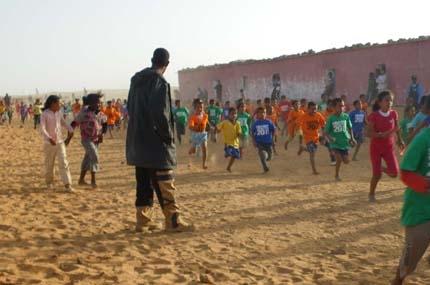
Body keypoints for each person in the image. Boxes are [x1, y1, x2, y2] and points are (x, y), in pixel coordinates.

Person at [126, 48, 193, 232]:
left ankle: (143, 221)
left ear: (152, 60)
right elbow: (160, 113)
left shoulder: (136, 80)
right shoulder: (160, 82)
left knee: (144, 181)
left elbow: (130, 107)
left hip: (137, 140)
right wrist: (167, 137)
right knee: (165, 181)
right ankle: (173, 221)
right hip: (155, 143)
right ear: (167, 64)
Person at [391, 127, 430, 285]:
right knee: (408, 264)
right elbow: (406, 172)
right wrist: (426, 184)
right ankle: (398, 280)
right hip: (421, 211)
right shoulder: (423, 140)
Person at [367, 91, 405, 202]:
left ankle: (381, 168)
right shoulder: (374, 116)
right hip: (376, 148)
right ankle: (371, 194)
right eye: (387, 100)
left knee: (394, 173)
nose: (389, 102)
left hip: (389, 147)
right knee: (377, 175)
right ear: (379, 103)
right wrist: (379, 135)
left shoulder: (394, 114)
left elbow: (397, 127)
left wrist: (400, 139)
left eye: (391, 100)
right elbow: (367, 133)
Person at [40, 95, 74, 192]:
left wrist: (70, 130)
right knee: (49, 164)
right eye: (59, 103)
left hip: (59, 142)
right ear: (53, 103)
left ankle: (68, 185)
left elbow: (64, 123)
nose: (60, 105)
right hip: (49, 144)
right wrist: (49, 138)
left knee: (64, 162)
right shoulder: (45, 114)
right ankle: (49, 183)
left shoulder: (59, 113)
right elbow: (42, 128)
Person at [72, 94, 103, 189]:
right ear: (91, 103)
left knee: (87, 159)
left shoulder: (97, 113)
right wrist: (69, 136)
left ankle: (81, 180)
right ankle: (93, 181)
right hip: (86, 139)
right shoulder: (83, 112)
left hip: (95, 140)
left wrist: (101, 135)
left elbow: (100, 125)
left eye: (99, 102)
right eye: (97, 102)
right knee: (94, 156)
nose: (99, 104)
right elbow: (74, 123)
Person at [324, 98, 356, 181]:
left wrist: (352, 138)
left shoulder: (346, 116)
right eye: (340, 106)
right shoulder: (331, 118)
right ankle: (336, 175)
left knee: (346, 161)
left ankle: (346, 153)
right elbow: (326, 132)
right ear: (334, 107)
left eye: (343, 106)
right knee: (339, 159)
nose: (342, 107)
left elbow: (350, 128)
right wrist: (330, 138)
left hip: (345, 142)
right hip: (335, 143)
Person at [297, 102, 326, 175]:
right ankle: (314, 170)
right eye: (312, 109)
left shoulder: (318, 115)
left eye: (315, 109)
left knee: (312, 150)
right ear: (308, 109)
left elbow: (323, 126)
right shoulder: (303, 116)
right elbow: (299, 127)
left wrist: (323, 137)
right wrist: (300, 137)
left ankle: (303, 148)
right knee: (312, 153)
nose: (314, 110)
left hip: (316, 137)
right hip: (307, 138)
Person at [251, 107, 276, 173]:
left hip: (268, 142)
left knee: (269, 155)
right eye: (260, 113)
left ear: (266, 114)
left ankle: (267, 158)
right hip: (259, 142)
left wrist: (273, 139)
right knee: (262, 154)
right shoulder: (255, 123)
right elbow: (252, 132)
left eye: (264, 112)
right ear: (257, 114)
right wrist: (253, 141)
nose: (262, 114)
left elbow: (273, 130)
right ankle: (265, 167)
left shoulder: (269, 122)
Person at [217, 107, 242, 172]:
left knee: (235, 156)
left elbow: (239, 131)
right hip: (228, 143)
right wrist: (217, 130)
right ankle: (227, 152)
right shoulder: (225, 122)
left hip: (236, 143)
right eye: (232, 114)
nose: (234, 115)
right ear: (228, 115)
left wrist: (239, 134)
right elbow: (218, 128)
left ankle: (228, 167)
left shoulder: (238, 123)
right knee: (230, 151)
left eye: (235, 114)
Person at [188, 100, 209, 169]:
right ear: (195, 108)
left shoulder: (205, 116)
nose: (200, 109)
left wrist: (210, 127)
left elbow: (207, 124)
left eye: (201, 107)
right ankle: (190, 154)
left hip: (203, 134)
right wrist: (195, 127)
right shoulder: (193, 117)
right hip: (195, 135)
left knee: (205, 149)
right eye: (198, 107)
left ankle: (204, 164)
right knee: (193, 151)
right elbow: (190, 127)